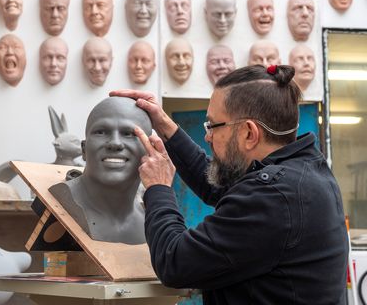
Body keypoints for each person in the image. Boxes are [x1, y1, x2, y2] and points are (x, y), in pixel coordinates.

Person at [111, 64, 348, 303]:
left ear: (248, 133)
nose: (207, 136)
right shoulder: (304, 172)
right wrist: (166, 128)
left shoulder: (274, 197)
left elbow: (175, 262)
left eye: (213, 125)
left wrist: (159, 188)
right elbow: (218, 186)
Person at [49, 96, 152, 244]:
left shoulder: (150, 220)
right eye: (101, 132)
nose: (115, 143)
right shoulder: (62, 202)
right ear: (83, 149)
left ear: (150, 152)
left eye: (129, 133)